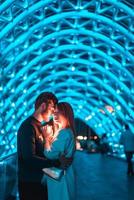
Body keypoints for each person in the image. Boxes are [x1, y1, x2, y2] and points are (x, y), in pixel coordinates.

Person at [17, 92, 72, 200]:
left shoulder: (39, 126)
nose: (53, 113)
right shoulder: (28, 126)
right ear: (43, 106)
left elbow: (42, 152)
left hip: (39, 182)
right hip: (30, 185)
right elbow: (29, 158)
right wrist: (57, 162)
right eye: (52, 109)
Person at [42, 102, 76, 200]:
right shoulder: (67, 132)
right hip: (65, 174)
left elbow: (49, 154)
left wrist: (46, 138)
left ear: (66, 114)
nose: (55, 115)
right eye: (54, 112)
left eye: (58, 112)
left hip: (59, 177)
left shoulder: (64, 133)